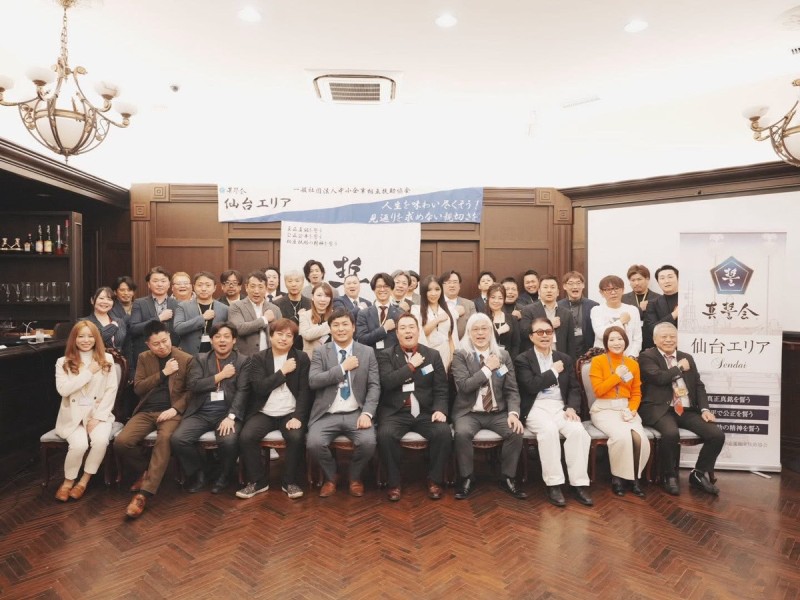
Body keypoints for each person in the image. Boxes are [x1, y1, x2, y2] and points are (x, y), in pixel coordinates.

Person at [113, 320, 193, 518]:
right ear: (148, 344)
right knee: (121, 442)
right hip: (146, 411)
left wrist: (175, 409)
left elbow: (192, 391)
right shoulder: (143, 358)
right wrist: (163, 373)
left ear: (170, 337)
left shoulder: (186, 359)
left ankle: (144, 494)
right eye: (156, 344)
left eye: (165, 341)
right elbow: (139, 388)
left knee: (164, 439)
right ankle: (148, 471)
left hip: (171, 412)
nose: (162, 346)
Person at [639, 322, 725, 496]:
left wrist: (705, 409)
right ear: (655, 340)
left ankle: (698, 474)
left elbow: (698, 386)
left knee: (716, 435)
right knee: (671, 433)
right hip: (660, 409)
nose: (669, 340)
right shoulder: (647, 356)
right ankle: (669, 476)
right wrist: (679, 368)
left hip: (686, 409)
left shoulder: (687, 357)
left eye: (672, 336)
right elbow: (659, 378)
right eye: (664, 337)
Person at [514, 317, 592, 507]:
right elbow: (531, 386)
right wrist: (553, 372)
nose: (544, 336)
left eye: (548, 332)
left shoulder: (563, 358)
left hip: (559, 406)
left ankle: (578, 484)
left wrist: (571, 407)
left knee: (578, 431)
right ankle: (554, 484)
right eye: (539, 332)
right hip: (536, 407)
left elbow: (574, 388)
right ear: (531, 337)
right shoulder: (522, 359)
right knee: (548, 431)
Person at [451, 313, 526, 500]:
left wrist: (513, 413)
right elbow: (465, 386)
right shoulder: (461, 355)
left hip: (497, 412)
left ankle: (507, 477)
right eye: (475, 329)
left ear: (491, 332)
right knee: (462, 433)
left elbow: (512, 389)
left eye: (484, 328)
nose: (480, 333)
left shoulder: (503, 355)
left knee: (515, 431)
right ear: (469, 333)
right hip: (469, 412)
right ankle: (467, 477)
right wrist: (487, 368)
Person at [376, 313, 451, 501]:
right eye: (403, 328)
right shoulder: (386, 355)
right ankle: (394, 483)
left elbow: (441, 388)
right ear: (397, 334)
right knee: (385, 435)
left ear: (418, 331)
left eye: (411, 327)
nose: (407, 331)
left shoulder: (432, 355)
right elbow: (387, 382)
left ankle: (434, 480)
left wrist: (440, 409)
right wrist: (410, 366)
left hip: (425, 412)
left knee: (443, 432)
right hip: (396, 412)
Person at [307, 309, 379, 497]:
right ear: (330, 329)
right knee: (314, 443)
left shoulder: (367, 352)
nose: (341, 329)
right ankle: (332, 477)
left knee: (368, 442)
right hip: (327, 413)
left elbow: (374, 386)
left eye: (345, 324)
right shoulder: (321, 351)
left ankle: (355, 477)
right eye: (336, 325)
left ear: (353, 327)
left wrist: (367, 413)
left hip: (356, 413)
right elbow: (313, 381)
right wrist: (342, 368)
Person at [236, 318, 310, 500]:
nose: (284, 338)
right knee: (246, 436)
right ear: (271, 336)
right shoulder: (258, 358)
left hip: (290, 412)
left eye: (289, 336)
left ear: (293, 339)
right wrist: (282, 372)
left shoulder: (301, 358)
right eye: (279, 334)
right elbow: (260, 388)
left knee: (296, 436)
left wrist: (298, 417)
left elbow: (305, 392)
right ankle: (258, 481)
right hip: (264, 412)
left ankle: (289, 482)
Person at [170, 323, 248, 494]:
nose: (222, 340)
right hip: (201, 412)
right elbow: (194, 385)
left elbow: (243, 391)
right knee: (178, 439)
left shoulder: (243, 361)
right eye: (217, 336)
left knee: (228, 441)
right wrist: (221, 375)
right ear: (211, 340)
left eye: (226, 336)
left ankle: (224, 476)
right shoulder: (200, 359)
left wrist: (231, 417)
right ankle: (200, 472)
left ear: (234, 340)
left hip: (227, 413)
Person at [52, 321, 118, 501]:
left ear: (96, 338)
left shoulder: (107, 359)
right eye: (81, 336)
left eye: (90, 336)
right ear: (74, 339)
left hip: (98, 413)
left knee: (100, 441)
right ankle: (68, 482)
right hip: (73, 415)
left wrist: (98, 417)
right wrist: (88, 372)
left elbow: (111, 390)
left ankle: (83, 481)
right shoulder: (63, 362)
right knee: (79, 445)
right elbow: (64, 390)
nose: (86, 340)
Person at [589, 326, 649, 497]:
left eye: (620, 339)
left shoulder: (633, 364)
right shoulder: (598, 361)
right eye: (612, 339)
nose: (616, 343)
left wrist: (632, 410)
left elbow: (636, 393)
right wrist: (617, 375)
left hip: (626, 409)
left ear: (626, 341)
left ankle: (635, 478)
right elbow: (598, 391)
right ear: (606, 343)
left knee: (640, 439)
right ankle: (618, 478)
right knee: (622, 437)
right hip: (604, 409)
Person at [129, 266, 180, 374]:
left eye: (163, 281)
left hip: (172, 355)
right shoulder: (139, 303)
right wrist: (159, 318)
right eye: (155, 281)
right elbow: (134, 328)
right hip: (146, 354)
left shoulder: (178, 304)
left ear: (169, 284)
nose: (159, 284)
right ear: (148, 284)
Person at [173, 271, 229, 355]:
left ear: (214, 287)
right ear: (194, 287)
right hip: (189, 354)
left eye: (208, 285)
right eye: (199, 285)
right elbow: (178, 329)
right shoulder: (183, 306)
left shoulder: (224, 308)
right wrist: (202, 318)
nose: (203, 289)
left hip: (216, 353)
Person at [228, 270, 282, 356]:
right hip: (244, 357)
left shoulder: (275, 309)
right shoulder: (236, 307)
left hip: (270, 357)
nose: (256, 291)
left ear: (266, 288)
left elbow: (280, 334)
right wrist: (264, 319)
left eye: (260, 287)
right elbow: (239, 329)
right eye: (253, 286)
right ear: (246, 287)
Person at [519, 274, 575, 358]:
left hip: (559, 358)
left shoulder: (567, 313)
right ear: (539, 291)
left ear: (558, 292)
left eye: (552, 287)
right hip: (536, 358)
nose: (549, 290)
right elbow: (524, 333)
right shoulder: (528, 310)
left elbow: (571, 343)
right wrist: (550, 324)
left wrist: (570, 362)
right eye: (545, 287)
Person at [411, 274, 457, 371]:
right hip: (426, 354)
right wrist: (437, 320)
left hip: (445, 353)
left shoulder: (449, 310)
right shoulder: (416, 309)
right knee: (426, 376)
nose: (433, 293)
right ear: (424, 292)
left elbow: (451, 336)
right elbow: (419, 333)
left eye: (437, 289)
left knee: (444, 378)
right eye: (429, 290)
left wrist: (453, 357)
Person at [590, 275, 642, 357]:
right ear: (601, 293)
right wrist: (621, 322)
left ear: (623, 290)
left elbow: (637, 339)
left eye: (616, 288)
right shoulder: (597, 310)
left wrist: (631, 356)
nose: (613, 293)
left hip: (627, 358)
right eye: (608, 289)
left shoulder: (633, 310)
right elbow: (601, 334)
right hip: (603, 358)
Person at [356, 272, 403, 350]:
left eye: (386, 286)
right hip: (371, 356)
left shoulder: (400, 314)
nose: (382, 289)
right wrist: (384, 329)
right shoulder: (363, 314)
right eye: (379, 286)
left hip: (393, 356)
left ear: (392, 289)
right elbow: (361, 340)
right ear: (373, 289)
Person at [558, 271, 598, 357]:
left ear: (583, 285)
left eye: (578, 283)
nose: (575, 286)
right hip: (566, 351)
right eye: (571, 283)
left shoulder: (594, 306)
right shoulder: (558, 306)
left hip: (589, 350)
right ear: (564, 286)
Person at [621, 264, 661, 350]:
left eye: (639, 279)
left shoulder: (658, 298)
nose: (636, 283)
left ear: (647, 279)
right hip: (629, 343)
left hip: (651, 343)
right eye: (633, 280)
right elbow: (622, 319)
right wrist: (640, 309)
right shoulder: (623, 298)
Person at [274, 269, 312, 351]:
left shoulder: (310, 304)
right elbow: (278, 328)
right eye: (290, 281)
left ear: (303, 282)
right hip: (283, 347)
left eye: (297, 281)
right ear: (285, 283)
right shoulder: (277, 304)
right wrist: (297, 317)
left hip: (305, 348)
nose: (294, 284)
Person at [82, 286, 126, 352]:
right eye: (101, 298)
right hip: (95, 357)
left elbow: (126, 346)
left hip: (117, 358)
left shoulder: (119, 321)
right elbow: (95, 340)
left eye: (109, 299)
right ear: (92, 300)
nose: (105, 302)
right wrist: (112, 327)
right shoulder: (84, 322)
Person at [484, 283, 520, 359]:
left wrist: (510, 361)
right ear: (488, 298)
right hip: (486, 360)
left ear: (504, 300)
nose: (496, 301)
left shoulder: (512, 319)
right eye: (493, 297)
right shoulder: (482, 319)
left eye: (500, 298)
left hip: (508, 360)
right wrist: (499, 332)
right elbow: (483, 340)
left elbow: (516, 344)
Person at [299, 282, 334, 356]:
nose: (322, 299)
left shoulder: (335, 316)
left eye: (327, 296)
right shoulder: (304, 315)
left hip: (332, 357)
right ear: (312, 297)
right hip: (311, 357)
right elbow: (307, 335)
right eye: (319, 295)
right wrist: (330, 325)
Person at [441, 270, 476, 340]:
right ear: (442, 285)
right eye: (449, 282)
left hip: (463, 344)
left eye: (455, 282)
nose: (452, 285)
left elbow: (474, 326)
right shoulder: (436, 303)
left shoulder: (469, 304)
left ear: (459, 286)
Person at [645, 264, 679, 333]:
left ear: (678, 279)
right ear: (658, 282)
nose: (667, 281)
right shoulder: (653, 304)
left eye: (670, 277)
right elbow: (652, 328)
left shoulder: (689, 299)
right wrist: (674, 314)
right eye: (662, 278)